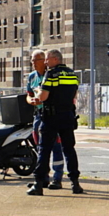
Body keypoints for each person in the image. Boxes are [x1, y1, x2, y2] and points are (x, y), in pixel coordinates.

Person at [26, 50, 82, 196]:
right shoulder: (72, 74)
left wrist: (39, 91)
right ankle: (75, 183)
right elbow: (74, 95)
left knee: (44, 150)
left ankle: (38, 184)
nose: (45, 62)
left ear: (56, 59)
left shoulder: (50, 74)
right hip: (68, 116)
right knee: (69, 149)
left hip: (51, 117)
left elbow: (43, 97)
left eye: (47, 59)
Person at [26, 50, 65, 189]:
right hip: (38, 114)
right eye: (32, 60)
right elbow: (28, 94)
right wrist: (31, 101)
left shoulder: (52, 75)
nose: (33, 63)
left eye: (36, 60)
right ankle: (43, 177)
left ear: (44, 61)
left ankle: (58, 178)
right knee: (40, 147)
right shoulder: (31, 77)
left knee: (56, 146)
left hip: (52, 115)